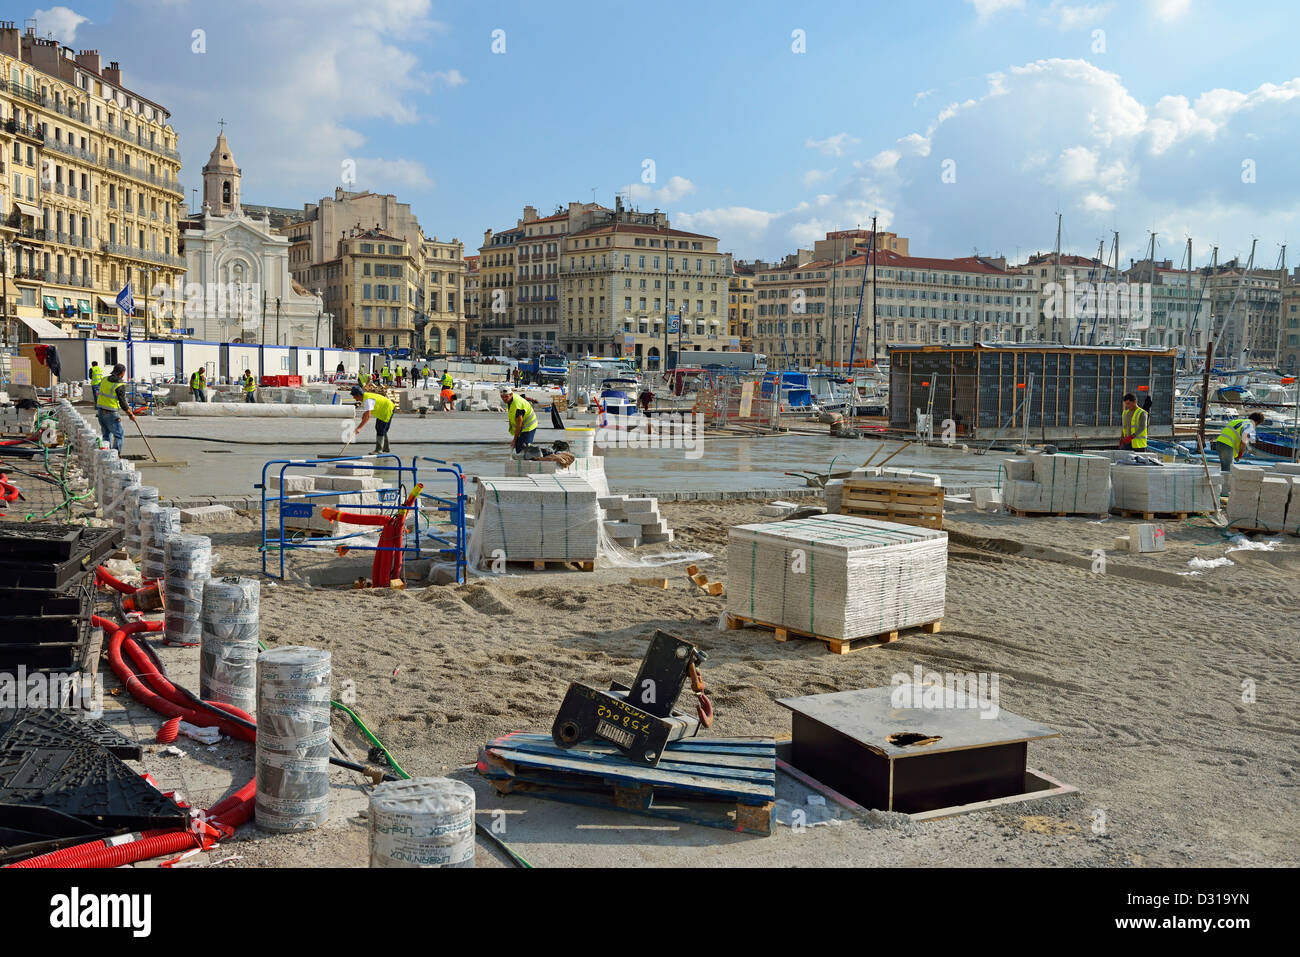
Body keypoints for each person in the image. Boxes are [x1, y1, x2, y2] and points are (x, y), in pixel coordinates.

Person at [96, 363, 138, 453]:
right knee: (119, 435)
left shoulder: (104, 380)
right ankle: (115, 456)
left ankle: (106, 455)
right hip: (111, 413)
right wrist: (131, 414)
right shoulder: (119, 384)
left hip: (100, 412)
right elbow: (123, 402)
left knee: (106, 436)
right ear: (122, 373)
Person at [349, 385, 395, 453]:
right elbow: (368, 411)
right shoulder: (366, 396)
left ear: (358, 395)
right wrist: (365, 413)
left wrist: (359, 428)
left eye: (354, 395)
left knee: (380, 429)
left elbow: (368, 417)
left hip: (386, 410)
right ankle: (385, 448)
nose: (353, 397)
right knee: (380, 428)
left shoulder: (367, 400)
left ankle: (379, 450)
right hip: (384, 409)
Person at [500, 387, 538, 453]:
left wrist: (514, 440)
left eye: (506, 396)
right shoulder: (510, 400)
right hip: (523, 426)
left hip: (529, 426)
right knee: (519, 448)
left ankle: (544, 456)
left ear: (511, 394)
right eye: (502, 397)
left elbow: (519, 424)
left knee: (524, 450)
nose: (504, 399)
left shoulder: (517, 405)